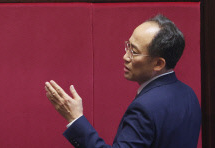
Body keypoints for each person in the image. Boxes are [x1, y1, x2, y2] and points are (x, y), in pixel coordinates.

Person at [45, 14, 201, 148]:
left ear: (158, 63)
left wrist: (75, 119)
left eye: (134, 52)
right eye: (128, 46)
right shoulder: (189, 95)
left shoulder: (144, 108)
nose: (125, 57)